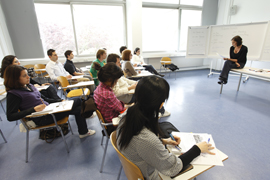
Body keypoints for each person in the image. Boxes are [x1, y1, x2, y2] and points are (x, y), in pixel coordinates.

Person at [116, 76, 215, 180]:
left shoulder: (126, 117)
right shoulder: (147, 139)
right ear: (161, 104)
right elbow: (174, 168)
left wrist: (163, 141)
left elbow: (142, 144)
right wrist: (197, 149)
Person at [5, 65, 95, 138]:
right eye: (24, 76)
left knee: (79, 108)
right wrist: (33, 109)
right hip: (42, 118)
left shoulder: (28, 86)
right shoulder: (13, 94)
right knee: (78, 100)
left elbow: (45, 99)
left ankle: (83, 131)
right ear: (15, 79)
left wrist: (60, 101)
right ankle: (88, 115)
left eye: (27, 74)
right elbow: (10, 116)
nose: (28, 77)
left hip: (50, 110)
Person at [94, 63, 125, 134]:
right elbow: (120, 108)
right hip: (113, 123)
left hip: (107, 118)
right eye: (116, 81)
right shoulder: (107, 94)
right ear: (109, 80)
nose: (116, 82)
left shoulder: (100, 87)